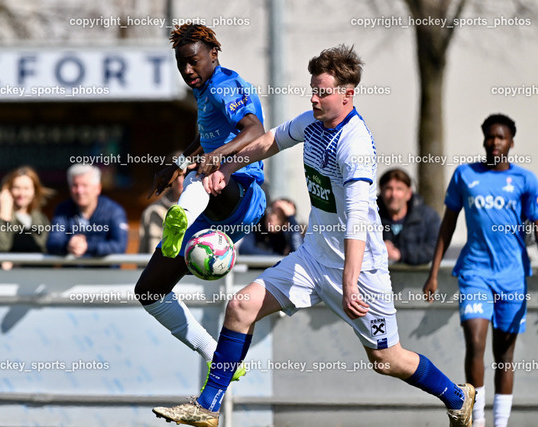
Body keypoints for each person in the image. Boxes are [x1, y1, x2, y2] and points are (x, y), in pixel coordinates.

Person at [153, 45, 474, 427]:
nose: (314, 98)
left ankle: (457, 397)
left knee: (386, 360)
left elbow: (356, 222)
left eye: (322, 92)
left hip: (360, 270)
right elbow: (269, 141)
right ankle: (208, 407)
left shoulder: (355, 146)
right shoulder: (313, 122)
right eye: (312, 90)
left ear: (347, 94)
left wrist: (350, 283)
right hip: (312, 258)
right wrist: (227, 166)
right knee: (240, 306)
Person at [134, 23, 266, 372]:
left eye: (194, 61)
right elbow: (206, 136)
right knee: (149, 290)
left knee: (207, 170)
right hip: (210, 207)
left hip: (242, 194)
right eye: (182, 64)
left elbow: (255, 129)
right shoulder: (205, 89)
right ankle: (218, 358)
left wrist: (216, 156)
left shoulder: (224, 84)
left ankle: (181, 215)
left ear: (214, 55)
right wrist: (176, 165)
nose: (188, 70)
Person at [423, 114, 538, 427]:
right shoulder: (465, 175)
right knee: (475, 342)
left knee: (504, 354)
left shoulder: (525, 180)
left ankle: (500, 423)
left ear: (511, 142)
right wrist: (434, 271)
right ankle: (476, 419)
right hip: (475, 272)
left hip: (512, 276)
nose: (495, 142)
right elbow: (448, 223)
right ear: (484, 139)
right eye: (490, 136)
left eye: (501, 137)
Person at [47, 164, 128, 257]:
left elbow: (119, 246)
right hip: (73, 267)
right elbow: (52, 242)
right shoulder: (63, 210)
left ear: (98, 188)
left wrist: (88, 247)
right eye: (75, 185)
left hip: (104, 267)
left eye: (85, 185)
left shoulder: (114, 211)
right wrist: (68, 245)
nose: (79, 191)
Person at [0, 166, 54, 269]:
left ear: (34, 191)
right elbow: (0, 247)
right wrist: (4, 214)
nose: (21, 193)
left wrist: (20, 262)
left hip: (35, 274)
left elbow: (45, 251)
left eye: (26, 188)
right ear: (8, 189)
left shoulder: (40, 218)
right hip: (6, 277)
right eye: (17, 188)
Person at [377, 168, 440, 265]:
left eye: (399, 189)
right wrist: (377, 247)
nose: (394, 194)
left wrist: (400, 254)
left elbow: (435, 249)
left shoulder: (428, 217)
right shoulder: (370, 217)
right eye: (389, 188)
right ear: (381, 191)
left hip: (417, 274)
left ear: (408, 194)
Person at [138, 162, 184, 253]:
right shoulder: (152, 211)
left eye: (184, 175)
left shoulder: (202, 210)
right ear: (168, 177)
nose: (179, 180)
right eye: (176, 176)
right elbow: (142, 252)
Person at [238, 198, 303, 256]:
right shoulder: (257, 227)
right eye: (272, 211)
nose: (272, 217)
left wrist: (291, 217)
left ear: (286, 223)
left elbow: (299, 254)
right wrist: (280, 258)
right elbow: (244, 249)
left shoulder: (288, 236)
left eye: (279, 216)